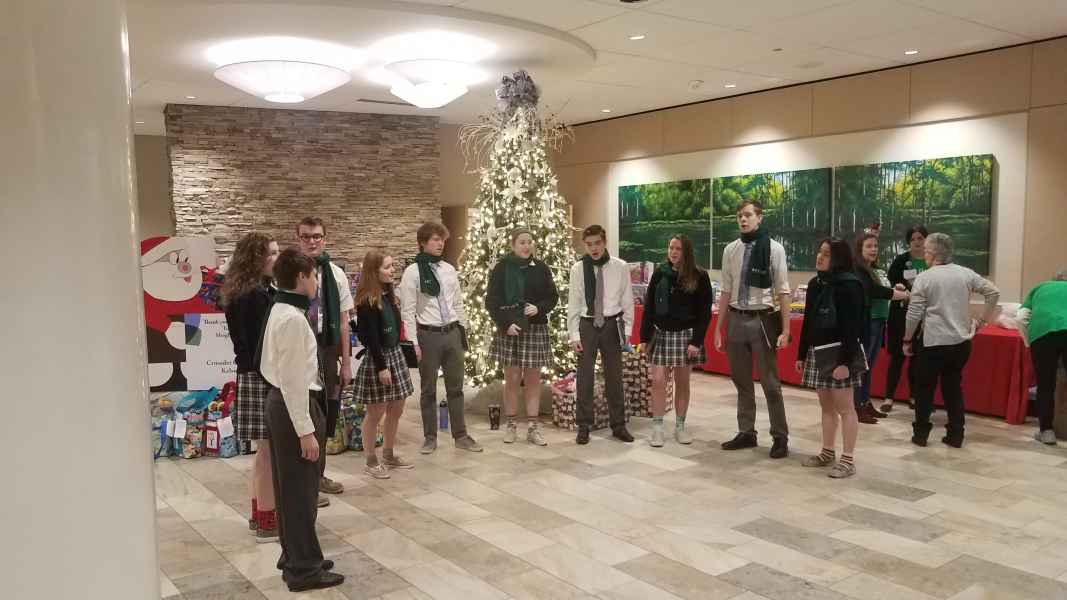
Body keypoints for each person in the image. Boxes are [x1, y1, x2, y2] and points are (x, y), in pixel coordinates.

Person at [259, 247, 344, 592]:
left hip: (284, 403)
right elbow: (294, 381)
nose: (316, 282)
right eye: (313, 276)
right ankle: (304, 570)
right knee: (300, 492)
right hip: (294, 404)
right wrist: (305, 430)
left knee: (291, 489)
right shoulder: (292, 319)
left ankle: (296, 555)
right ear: (300, 278)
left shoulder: (281, 308)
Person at [713, 200, 793, 459]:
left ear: (760, 217)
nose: (743, 220)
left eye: (748, 215)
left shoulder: (774, 249)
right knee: (741, 380)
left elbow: (783, 290)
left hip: (763, 319)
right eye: (739, 216)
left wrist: (786, 330)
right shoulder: (731, 250)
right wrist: (718, 328)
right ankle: (746, 432)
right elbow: (726, 290)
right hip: (737, 318)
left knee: (770, 383)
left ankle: (780, 436)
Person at [904, 233, 999, 448]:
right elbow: (993, 292)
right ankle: (956, 434)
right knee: (953, 387)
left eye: (926, 251)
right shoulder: (965, 273)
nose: (924, 255)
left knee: (924, 389)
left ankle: (920, 435)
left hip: (933, 342)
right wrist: (982, 320)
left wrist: (907, 338)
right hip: (960, 343)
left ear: (932, 254)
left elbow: (914, 313)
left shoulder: (925, 278)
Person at [399, 222, 482, 454]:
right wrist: (414, 343)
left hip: (452, 332)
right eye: (435, 239)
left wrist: (463, 330)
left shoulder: (449, 269)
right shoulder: (412, 272)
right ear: (422, 242)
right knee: (428, 390)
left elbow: (457, 303)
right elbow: (407, 311)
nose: (440, 244)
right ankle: (430, 437)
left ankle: (461, 435)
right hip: (429, 335)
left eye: (442, 240)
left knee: (456, 388)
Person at [222, 233, 280, 542]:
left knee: (263, 452)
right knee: (267, 452)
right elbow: (257, 344)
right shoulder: (253, 295)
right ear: (255, 257)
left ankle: (260, 514)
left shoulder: (252, 289)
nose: (276, 259)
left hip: (253, 374)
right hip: (260, 376)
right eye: (271, 253)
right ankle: (268, 520)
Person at [796, 239, 868, 478]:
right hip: (818, 351)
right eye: (819, 252)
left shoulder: (850, 285)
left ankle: (848, 460)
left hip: (840, 353)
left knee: (845, 408)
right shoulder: (815, 284)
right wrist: (801, 353)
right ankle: (827, 452)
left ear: (839, 258)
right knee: (826, 406)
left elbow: (853, 327)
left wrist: (845, 362)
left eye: (826, 254)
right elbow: (808, 321)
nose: (820, 257)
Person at [295, 217, 353, 503]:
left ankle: (318, 475)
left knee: (325, 412)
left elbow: (343, 322)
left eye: (317, 236)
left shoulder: (336, 275)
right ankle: (303, 481)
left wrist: (347, 363)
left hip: (327, 348)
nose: (312, 241)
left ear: (325, 238)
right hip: (299, 349)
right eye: (306, 236)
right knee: (303, 411)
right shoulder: (290, 271)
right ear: (298, 240)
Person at [486, 228, 559, 446]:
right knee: (512, 379)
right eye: (522, 242)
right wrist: (505, 324)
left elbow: (552, 297)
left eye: (529, 242)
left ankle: (533, 428)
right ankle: (511, 426)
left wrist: (539, 308)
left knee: (533, 380)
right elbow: (491, 301)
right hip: (510, 329)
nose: (527, 246)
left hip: (535, 329)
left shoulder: (541, 268)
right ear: (513, 245)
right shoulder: (501, 268)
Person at [639, 234, 712, 447]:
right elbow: (649, 307)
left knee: (682, 382)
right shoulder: (660, 273)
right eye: (671, 247)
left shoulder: (699, 276)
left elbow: (704, 312)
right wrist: (644, 337)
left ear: (686, 251)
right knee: (658, 380)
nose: (673, 252)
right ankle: (657, 428)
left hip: (685, 336)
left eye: (678, 248)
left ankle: (680, 426)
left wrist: (696, 341)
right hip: (661, 334)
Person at [567, 224, 636, 445]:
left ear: (604, 242)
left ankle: (619, 425)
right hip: (587, 325)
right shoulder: (578, 269)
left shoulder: (620, 267)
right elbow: (574, 303)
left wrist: (627, 331)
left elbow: (627, 301)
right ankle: (583, 426)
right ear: (585, 246)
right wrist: (574, 335)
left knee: (614, 377)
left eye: (597, 243)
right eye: (589, 244)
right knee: (584, 377)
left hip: (611, 324)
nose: (594, 248)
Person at [352, 251, 416, 478]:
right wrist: (381, 367)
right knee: (375, 412)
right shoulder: (367, 301)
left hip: (395, 354)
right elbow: (370, 337)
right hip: (379, 359)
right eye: (387, 267)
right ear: (374, 271)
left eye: (392, 266)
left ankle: (389, 454)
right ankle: (371, 460)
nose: (392, 270)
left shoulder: (388, 295)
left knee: (397, 408)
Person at [853, 233, 908, 424]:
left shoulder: (878, 270)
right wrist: (898, 294)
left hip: (880, 320)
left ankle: (865, 402)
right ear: (859, 249)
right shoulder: (858, 270)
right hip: (867, 321)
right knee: (862, 366)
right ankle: (857, 406)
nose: (873, 249)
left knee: (869, 365)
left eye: (875, 246)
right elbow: (874, 290)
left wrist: (897, 288)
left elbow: (885, 289)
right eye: (869, 246)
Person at [881, 225, 928, 413]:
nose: (917, 242)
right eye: (913, 239)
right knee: (897, 358)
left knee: (917, 360)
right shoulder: (901, 260)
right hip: (900, 315)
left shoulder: (931, 261)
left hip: (924, 317)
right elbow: (890, 282)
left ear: (926, 240)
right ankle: (889, 397)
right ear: (909, 242)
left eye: (920, 238)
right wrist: (899, 287)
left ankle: (914, 396)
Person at [1017, 268, 1067, 445]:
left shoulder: (1040, 287)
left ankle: (1047, 431)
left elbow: (1021, 317)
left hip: (1042, 334)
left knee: (1045, 385)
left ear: (1055, 278)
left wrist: (1029, 342)